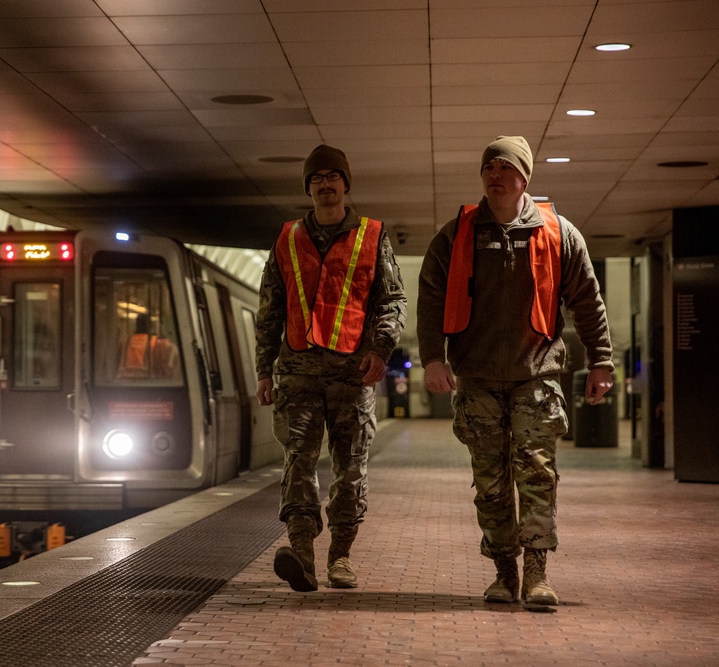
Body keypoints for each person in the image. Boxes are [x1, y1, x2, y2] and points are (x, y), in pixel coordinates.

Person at [417, 136, 614, 607]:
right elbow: (430, 299)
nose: (495, 175)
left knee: (537, 474)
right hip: (478, 377)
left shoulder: (559, 233)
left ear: (524, 177)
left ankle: (537, 575)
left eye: (505, 167)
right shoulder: (456, 234)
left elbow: (587, 301)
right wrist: (432, 357)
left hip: (537, 375)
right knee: (489, 479)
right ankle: (504, 572)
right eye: (488, 167)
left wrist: (601, 359)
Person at [255, 144, 407, 592]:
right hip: (298, 372)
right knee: (298, 462)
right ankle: (301, 553)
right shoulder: (286, 238)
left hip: (352, 372)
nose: (325, 184)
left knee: (350, 466)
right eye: (317, 178)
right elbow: (270, 309)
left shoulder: (372, 235)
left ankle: (341, 556)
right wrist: (265, 369)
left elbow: (392, 299)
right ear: (308, 187)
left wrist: (381, 350)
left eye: (332, 177)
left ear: (345, 184)